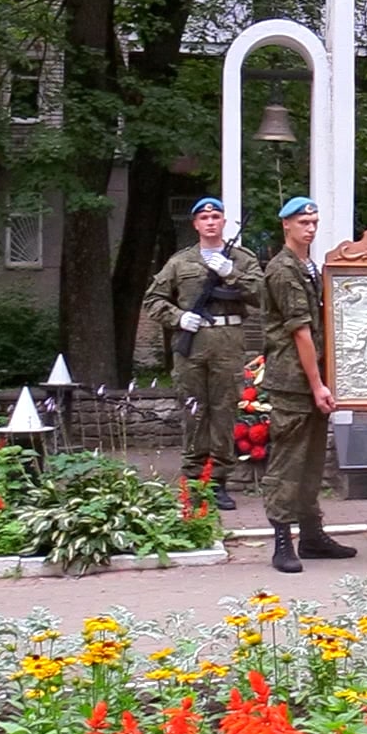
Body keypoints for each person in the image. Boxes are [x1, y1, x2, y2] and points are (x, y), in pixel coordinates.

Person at [142, 196, 263, 510]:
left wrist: (230, 272)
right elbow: (153, 301)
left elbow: (263, 295)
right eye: (204, 218)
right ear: (195, 224)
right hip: (192, 344)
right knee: (194, 411)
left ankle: (219, 481)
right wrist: (178, 317)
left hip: (228, 341)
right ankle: (195, 480)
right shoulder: (180, 262)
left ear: (223, 222)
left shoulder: (242, 258)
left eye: (216, 217)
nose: (210, 222)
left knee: (224, 411)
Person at [258, 196, 356, 572]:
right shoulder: (283, 270)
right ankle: (283, 541)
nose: (310, 228)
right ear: (286, 225)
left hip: (311, 377)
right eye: (303, 222)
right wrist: (317, 385)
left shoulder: (309, 266)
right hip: (294, 381)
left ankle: (312, 535)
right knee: (289, 462)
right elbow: (300, 331)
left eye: (314, 222)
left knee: (312, 461)